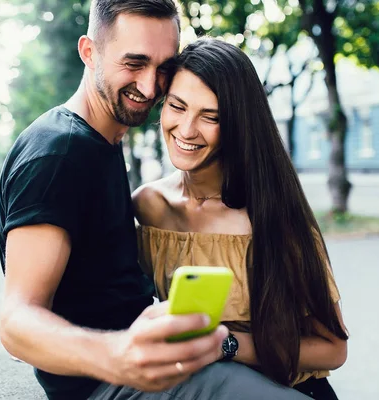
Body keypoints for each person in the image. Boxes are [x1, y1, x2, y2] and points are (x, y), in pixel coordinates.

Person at [0, 1, 311, 399]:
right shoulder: (60, 155)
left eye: (163, 68)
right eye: (134, 63)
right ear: (89, 52)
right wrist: (119, 355)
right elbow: (15, 322)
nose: (150, 87)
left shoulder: (104, 140)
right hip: (111, 384)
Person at [133, 38, 349, 400]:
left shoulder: (274, 218)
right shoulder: (148, 207)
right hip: (202, 391)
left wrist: (227, 344)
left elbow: (333, 349)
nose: (186, 130)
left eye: (211, 116)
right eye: (177, 106)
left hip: (289, 391)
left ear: (237, 124)